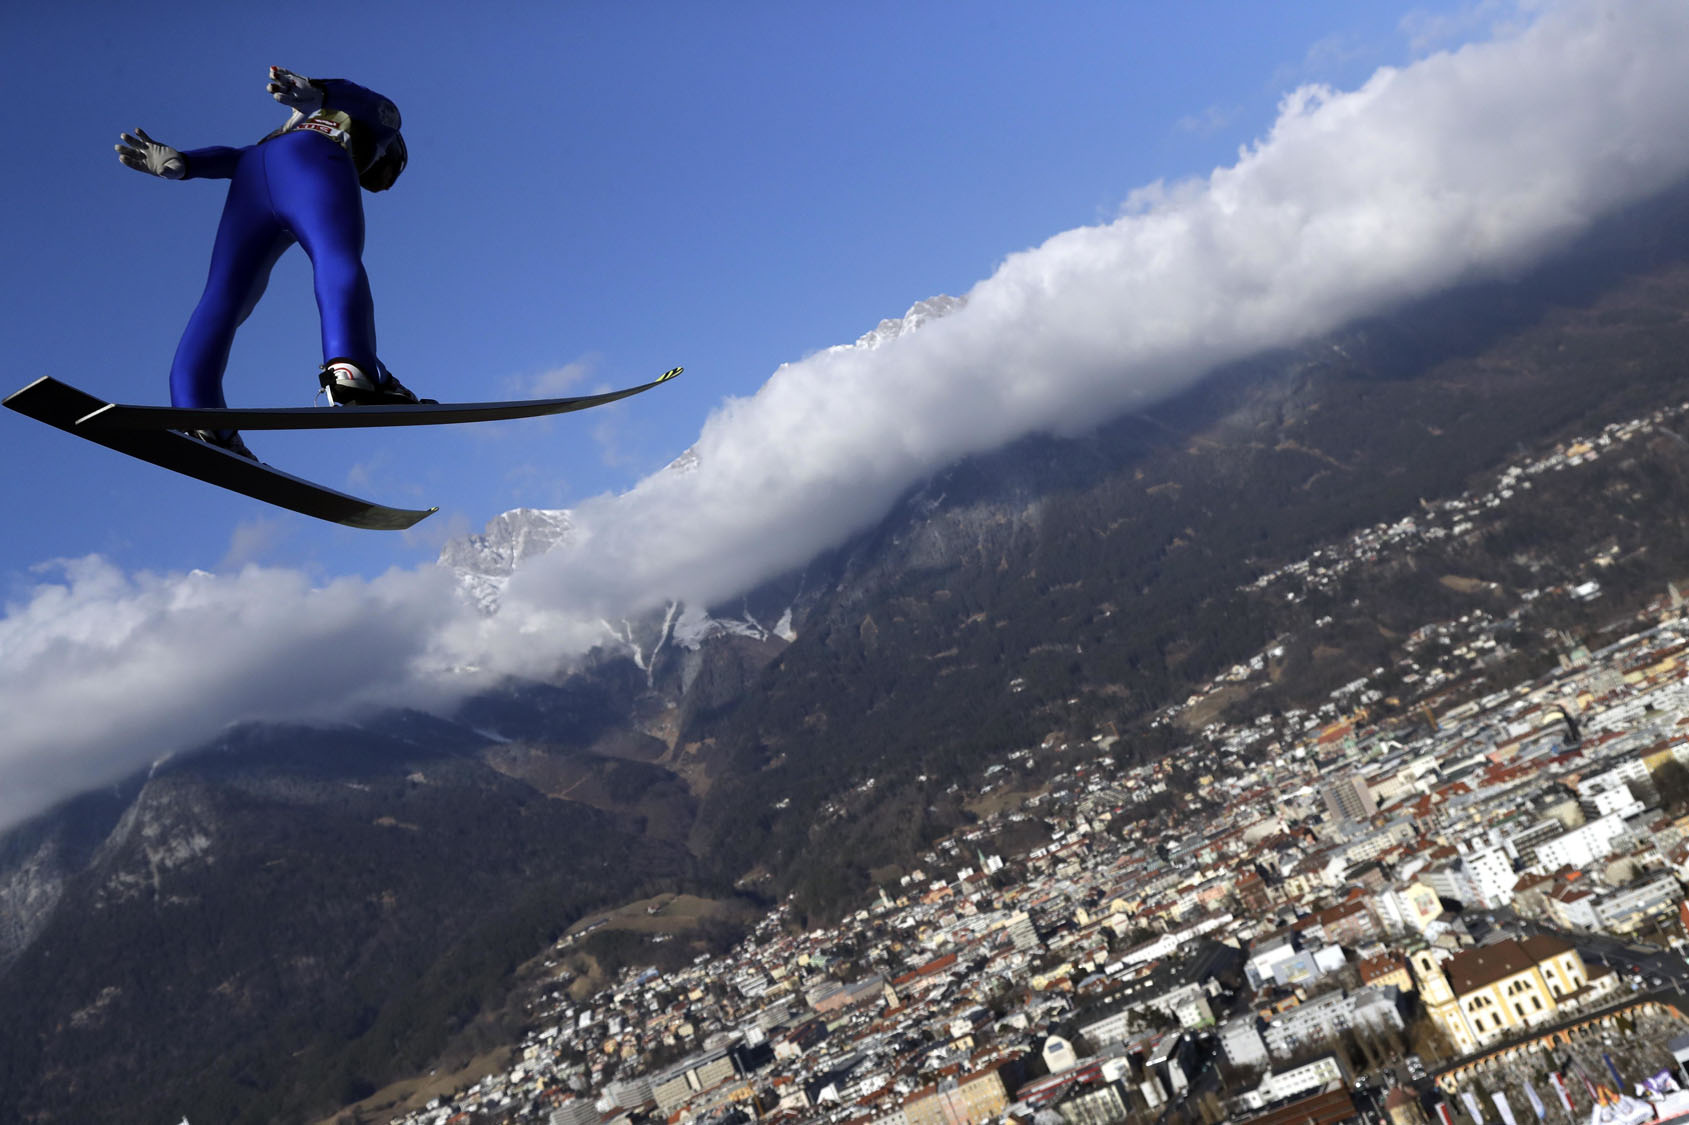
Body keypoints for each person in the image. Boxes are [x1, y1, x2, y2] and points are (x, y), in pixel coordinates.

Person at [115, 66, 426, 459]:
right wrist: (320, 91)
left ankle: (196, 408)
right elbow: (380, 107)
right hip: (312, 160)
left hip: (252, 175)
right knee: (334, 255)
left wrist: (186, 163)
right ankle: (353, 369)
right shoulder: (373, 127)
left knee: (223, 297)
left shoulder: (281, 132)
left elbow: (236, 157)